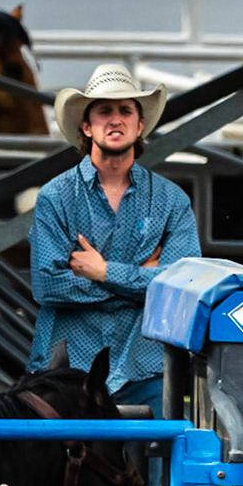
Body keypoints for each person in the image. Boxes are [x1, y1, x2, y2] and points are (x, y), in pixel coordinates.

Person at [29, 64, 199, 416]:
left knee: (153, 469)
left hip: (148, 368)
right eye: (104, 110)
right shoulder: (55, 197)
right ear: (87, 126)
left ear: (139, 126)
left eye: (125, 110)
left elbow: (183, 287)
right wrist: (141, 280)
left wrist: (103, 271)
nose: (115, 119)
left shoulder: (172, 200)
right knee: (66, 471)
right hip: (68, 371)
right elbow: (47, 285)